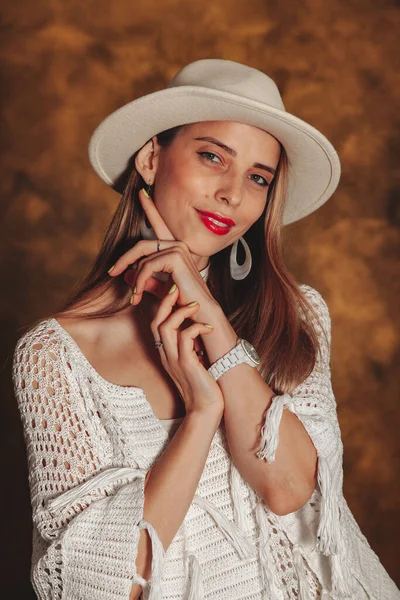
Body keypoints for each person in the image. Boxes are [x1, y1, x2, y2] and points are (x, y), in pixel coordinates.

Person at [12, 59, 399, 600]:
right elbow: (96, 588)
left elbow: (288, 490)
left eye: (258, 178)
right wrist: (201, 415)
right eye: (212, 156)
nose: (232, 193)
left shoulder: (296, 316)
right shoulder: (56, 356)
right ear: (151, 157)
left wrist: (214, 325)